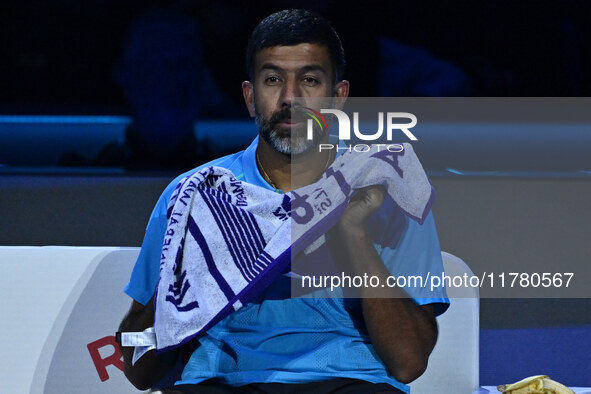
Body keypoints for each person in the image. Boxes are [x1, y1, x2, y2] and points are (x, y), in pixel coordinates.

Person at [118, 9, 448, 394]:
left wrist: (352, 232)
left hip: (348, 383)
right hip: (220, 384)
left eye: (309, 80)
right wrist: (187, 266)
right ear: (250, 97)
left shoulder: (385, 188)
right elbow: (138, 370)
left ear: (338, 97)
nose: (290, 98)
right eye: (273, 79)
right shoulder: (194, 194)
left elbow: (409, 362)